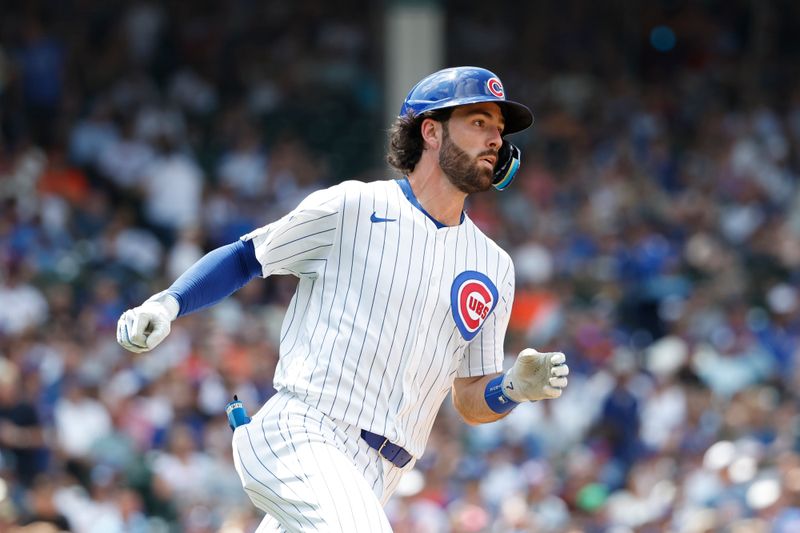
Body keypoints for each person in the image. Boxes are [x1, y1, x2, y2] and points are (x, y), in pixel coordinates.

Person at [116, 66, 570, 533]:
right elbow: (247, 256)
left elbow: (470, 399)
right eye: (479, 122)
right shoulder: (356, 206)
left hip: (381, 474)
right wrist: (167, 304)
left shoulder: (495, 267)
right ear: (431, 132)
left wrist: (513, 388)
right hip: (304, 433)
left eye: (499, 129)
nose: (496, 138)